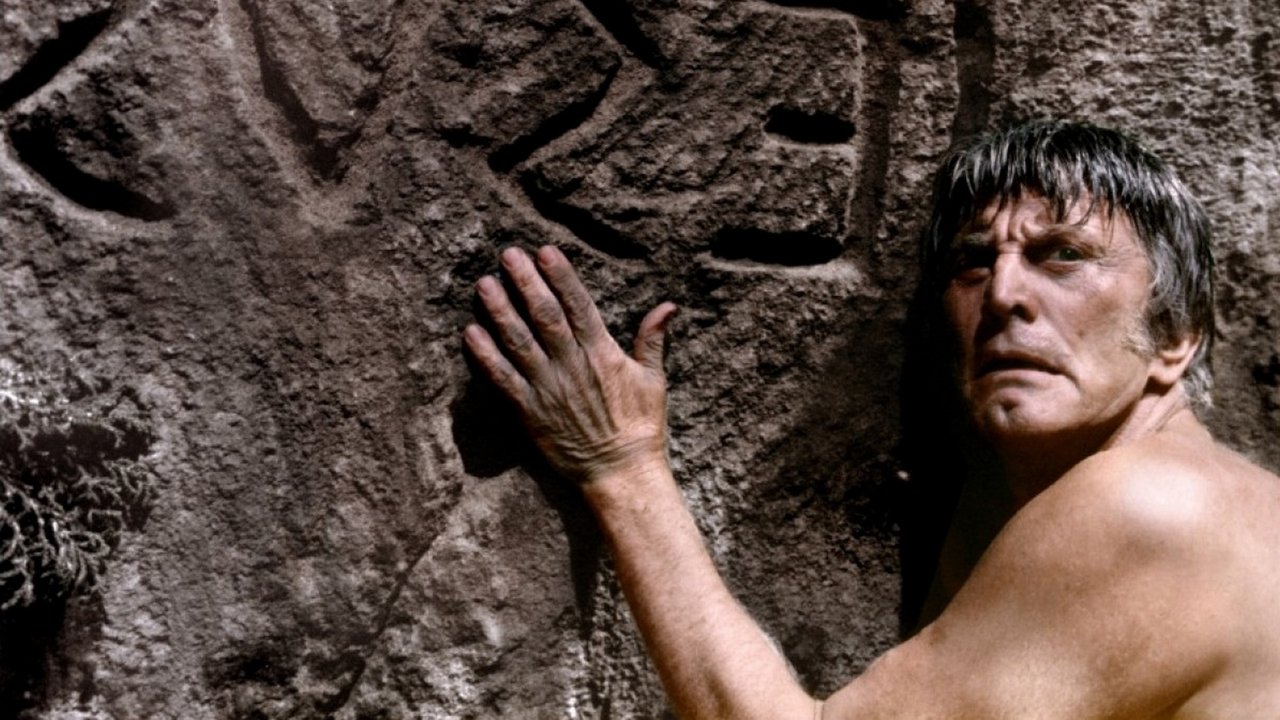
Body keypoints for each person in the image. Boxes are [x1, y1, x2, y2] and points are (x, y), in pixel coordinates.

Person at [461, 121, 1280, 719]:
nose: (1003, 295)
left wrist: (623, 466)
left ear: (1175, 334)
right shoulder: (1217, 501)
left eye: (1061, 254)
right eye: (973, 260)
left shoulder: (1148, 508)